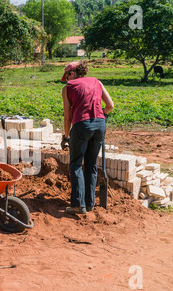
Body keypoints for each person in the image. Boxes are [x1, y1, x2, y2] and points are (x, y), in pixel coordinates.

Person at [60, 60, 114, 214]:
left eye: (67, 76)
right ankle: (89, 204)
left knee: (76, 163)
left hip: (81, 126)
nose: (67, 79)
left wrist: (66, 135)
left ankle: (78, 204)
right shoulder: (96, 82)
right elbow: (110, 106)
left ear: (72, 73)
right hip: (100, 126)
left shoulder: (68, 87)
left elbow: (67, 116)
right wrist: (100, 114)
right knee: (90, 164)